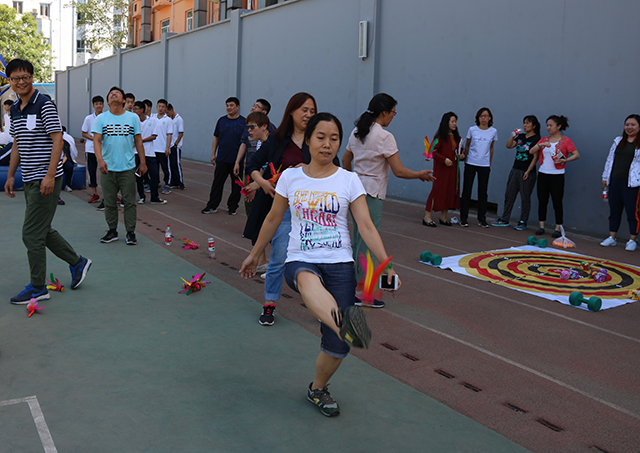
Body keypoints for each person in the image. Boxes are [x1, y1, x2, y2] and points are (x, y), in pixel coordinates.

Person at [240, 112, 399, 417]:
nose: (327, 144)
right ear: (309, 140)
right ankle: (346, 322)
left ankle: (318, 388)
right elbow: (273, 218)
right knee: (307, 280)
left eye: (334, 138)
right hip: (301, 259)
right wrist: (255, 252)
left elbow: (365, 225)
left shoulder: (349, 180)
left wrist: (385, 264)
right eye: (321, 137)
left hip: (339, 263)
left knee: (339, 345)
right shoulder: (290, 177)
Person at [3, 58, 91, 304]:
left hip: (45, 178)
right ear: (9, 82)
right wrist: (11, 175)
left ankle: (38, 287)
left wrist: (50, 175)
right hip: (29, 179)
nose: (21, 82)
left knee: (31, 234)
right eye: (15, 78)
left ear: (32, 77)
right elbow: (17, 144)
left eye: (25, 77)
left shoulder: (44, 104)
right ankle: (77, 262)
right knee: (42, 230)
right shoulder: (16, 110)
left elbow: (58, 140)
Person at [342, 93, 433, 309]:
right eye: (393, 112)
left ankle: (353, 285)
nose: (393, 116)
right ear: (384, 112)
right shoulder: (384, 136)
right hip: (372, 193)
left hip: (354, 192)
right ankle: (363, 293)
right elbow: (399, 171)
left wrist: (352, 181)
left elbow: (346, 160)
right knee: (368, 242)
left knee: (357, 240)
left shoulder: (357, 132)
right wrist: (420, 174)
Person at [243, 92, 320, 326]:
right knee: (278, 257)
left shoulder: (318, 138)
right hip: (284, 208)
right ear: (292, 112)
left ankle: (319, 305)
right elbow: (253, 164)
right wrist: (263, 182)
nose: (308, 115)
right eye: (304, 110)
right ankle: (269, 304)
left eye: (312, 111)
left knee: (315, 260)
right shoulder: (277, 139)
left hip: (312, 209)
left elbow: (333, 166)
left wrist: (309, 167)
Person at [92, 86, 147, 245]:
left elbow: (138, 140)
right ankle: (112, 231)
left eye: (117, 93)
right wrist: (100, 160)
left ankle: (130, 232)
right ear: (108, 101)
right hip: (107, 169)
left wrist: (142, 162)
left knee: (130, 202)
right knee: (109, 203)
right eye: (110, 94)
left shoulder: (132, 118)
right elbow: (96, 141)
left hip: (127, 168)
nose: (113, 94)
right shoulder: (101, 119)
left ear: (124, 100)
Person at [529, 115, 580, 238]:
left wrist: (565, 160)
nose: (548, 128)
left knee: (557, 201)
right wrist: (541, 145)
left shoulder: (566, 140)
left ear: (559, 126)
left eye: (551, 125)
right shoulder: (544, 139)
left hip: (557, 175)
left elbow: (576, 154)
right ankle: (542, 226)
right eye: (547, 125)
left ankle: (558, 227)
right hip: (543, 173)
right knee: (542, 200)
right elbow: (531, 151)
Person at [237, 111, 272, 273]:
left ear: (264, 126)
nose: (249, 131)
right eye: (248, 127)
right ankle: (262, 260)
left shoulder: (274, 143)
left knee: (273, 228)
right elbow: (261, 167)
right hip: (265, 187)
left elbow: (274, 169)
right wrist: (255, 185)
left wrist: (257, 185)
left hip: (275, 191)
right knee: (256, 223)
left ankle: (274, 267)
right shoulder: (261, 144)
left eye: (252, 127)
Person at [491, 115, 541, 230]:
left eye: (528, 123)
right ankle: (504, 219)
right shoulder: (521, 137)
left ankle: (523, 221)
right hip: (515, 169)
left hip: (527, 171)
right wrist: (513, 136)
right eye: (524, 123)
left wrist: (528, 171)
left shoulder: (537, 139)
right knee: (509, 194)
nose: (525, 125)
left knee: (525, 197)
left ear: (534, 126)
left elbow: (535, 157)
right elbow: (509, 146)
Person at [600, 114, 640, 251]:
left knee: (632, 211)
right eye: (627, 124)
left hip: (632, 183)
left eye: (633, 125)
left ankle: (632, 240)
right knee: (614, 210)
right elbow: (609, 160)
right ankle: (612, 237)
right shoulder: (618, 141)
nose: (630, 127)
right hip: (615, 180)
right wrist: (605, 177)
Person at [202, 96, 246, 215]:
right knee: (217, 183)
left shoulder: (243, 122)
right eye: (227, 105)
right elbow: (216, 137)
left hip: (237, 160)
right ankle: (212, 205)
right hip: (222, 158)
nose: (229, 108)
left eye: (231, 105)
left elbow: (246, 141)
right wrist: (213, 154)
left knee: (236, 185)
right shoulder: (221, 121)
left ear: (237, 107)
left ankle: (232, 206)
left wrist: (244, 158)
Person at [459, 107, 498, 228]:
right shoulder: (472, 129)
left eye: (486, 116)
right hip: (471, 163)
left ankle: (482, 218)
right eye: (481, 116)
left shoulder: (493, 131)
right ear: (478, 118)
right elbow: (467, 145)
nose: (484, 118)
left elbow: (491, 147)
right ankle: (463, 218)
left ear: (490, 118)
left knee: (482, 192)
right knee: (467, 190)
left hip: (484, 165)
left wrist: (489, 162)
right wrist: (465, 157)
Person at [423, 111, 461, 227]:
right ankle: (427, 216)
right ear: (446, 122)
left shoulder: (457, 138)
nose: (455, 124)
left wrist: (461, 156)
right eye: (452, 121)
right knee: (437, 190)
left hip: (453, 170)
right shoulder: (439, 137)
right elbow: (432, 152)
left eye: (455, 122)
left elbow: (460, 152)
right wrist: (444, 159)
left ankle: (444, 217)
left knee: (449, 191)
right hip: (441, 169)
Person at [132, 101, 165, 204]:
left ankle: (154, 197)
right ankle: (141, 196)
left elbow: (154, 136)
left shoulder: (152, 121)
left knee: (154, 175)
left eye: (136, 109)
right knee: (138, 176)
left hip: (149, 153)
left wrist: (140, 141)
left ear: (142, 109)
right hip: (136, 153)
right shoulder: (133, 122)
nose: (134, 111)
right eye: (133, 109)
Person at [81, 95, 104, 203]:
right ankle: (95, 193)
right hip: (91, 148)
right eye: (97, 104)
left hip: (105, 148)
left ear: (103, 105)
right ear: (93, 106)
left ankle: (109, 194)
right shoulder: (88, 118)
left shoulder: (107, 117)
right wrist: (94, 139)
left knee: (106, 171)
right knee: (92, 170)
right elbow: (83, 133)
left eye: (100, 104)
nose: (99, 106)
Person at [153, 99, 173, 195]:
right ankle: (155, 183)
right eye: (159, 106)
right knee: (154, 168)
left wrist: (167, 147)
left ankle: (167, 184)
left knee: (165, 167)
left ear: (166, 108)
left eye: (163, 107)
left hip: (162, 148)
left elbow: (169, 135)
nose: (160, 108)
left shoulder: (168, 120)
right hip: (153, 148)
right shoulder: (152, 118)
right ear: (156, 107)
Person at [166, 103, 185, 189]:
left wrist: (176, 144)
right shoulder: (170, 119)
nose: (167, 114)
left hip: (175, 146)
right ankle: (174, 181)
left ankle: (180, 182)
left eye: (168, 112)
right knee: (171, 164)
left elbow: (181, 133)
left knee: (176, 163)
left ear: (171, 110)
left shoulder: (178, 119)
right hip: (170, 145)